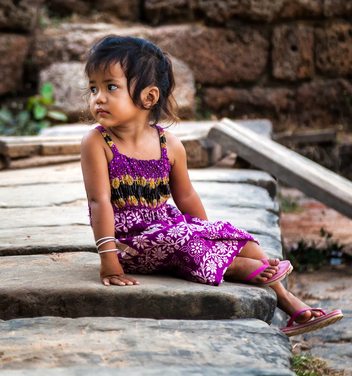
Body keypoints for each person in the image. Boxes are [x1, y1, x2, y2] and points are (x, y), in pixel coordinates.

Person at [80, 35, 343, 337]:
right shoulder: (98, 142)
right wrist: (110, 261)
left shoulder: (170, 146)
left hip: (168, 229)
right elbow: (99, 202)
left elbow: (186, 196)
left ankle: (290, 303)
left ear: (149, 97)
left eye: (110, 87)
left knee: (243, 240)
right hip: (128, 242)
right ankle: (236, 268)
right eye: (93, 88)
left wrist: (209, 235)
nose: (97, 97)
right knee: (183, 239)